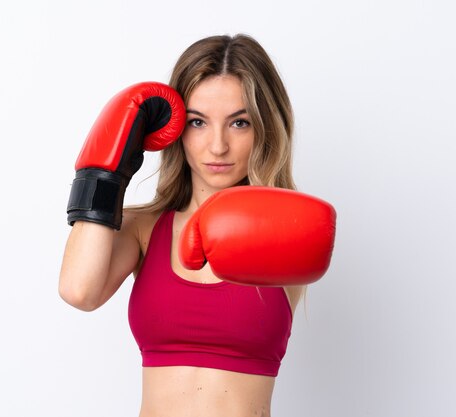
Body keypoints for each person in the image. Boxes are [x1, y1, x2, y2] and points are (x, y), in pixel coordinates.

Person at [59, 34, 336, 417]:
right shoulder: (144, 228)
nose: (217, 146)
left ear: (265, 128)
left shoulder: (286, 229)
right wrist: (105, 173)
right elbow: (79, 292)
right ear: (173, 130)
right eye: (197, 122)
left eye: (239, 122)